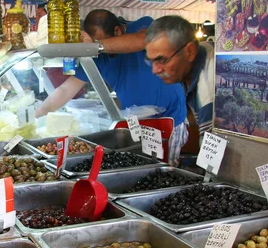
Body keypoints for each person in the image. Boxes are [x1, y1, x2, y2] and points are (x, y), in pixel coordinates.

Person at [35, 10, 187, 165]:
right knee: (142, 172)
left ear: (117, 30)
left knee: (165, 170)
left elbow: (145, 39)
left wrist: (97, 46)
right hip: (134, 126)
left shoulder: (141, 26)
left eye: (101, 42)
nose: (102, 52)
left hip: (170, 120)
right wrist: (39, 113)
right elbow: (65, 90)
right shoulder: (99, 57)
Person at [144, 15, 214, 139]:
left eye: (162, 59)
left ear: (190, 51)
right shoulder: (201, 52)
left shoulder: (209, 93)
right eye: (151, 61)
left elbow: (213, 153)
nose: (155, 70)